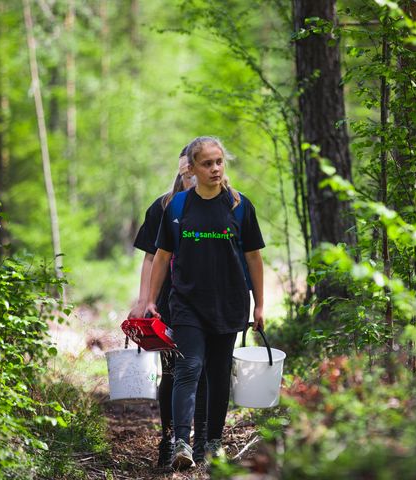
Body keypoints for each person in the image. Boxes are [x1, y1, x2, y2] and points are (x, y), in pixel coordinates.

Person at [144, 136, 265, 471]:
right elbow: (161, 256)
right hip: (186, 303)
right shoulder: (177, 207)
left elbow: (254, 258)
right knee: (188, 366)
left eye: (219, 162)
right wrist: (151, 300)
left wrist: (260, 305)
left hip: (229, 302)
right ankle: (182, 441)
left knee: (217, 373)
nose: (215, 168)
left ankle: (210, 443)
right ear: (192, 169)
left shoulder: (240, 206)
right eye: (207, 163)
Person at [128, 147, 209, 467]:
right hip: (166, 304)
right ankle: (171, 439)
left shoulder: (221, 203)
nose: (192, 176)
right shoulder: (162, 207)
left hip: (207, 301)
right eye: (188, 170)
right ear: (183, 170)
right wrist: (143, 300)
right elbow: (150, 258)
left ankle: (200, 442)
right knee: (174, 372)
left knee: (202, 371)